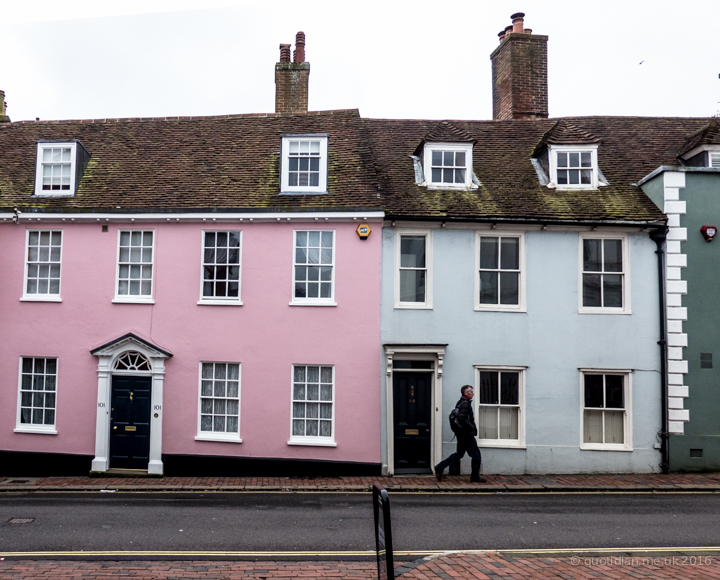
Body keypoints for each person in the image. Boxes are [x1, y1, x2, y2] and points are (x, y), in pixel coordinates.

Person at [434, 385, 486, 483]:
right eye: (471, 392)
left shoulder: (460, 402)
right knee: (476, 455)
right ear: (466, 393)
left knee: (459, 454)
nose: (473, 393)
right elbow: (462, 419)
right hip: (466, 434)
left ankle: (440, 467)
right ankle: (475, 477)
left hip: (461, 434)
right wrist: (472, 427)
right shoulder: (465, 404)